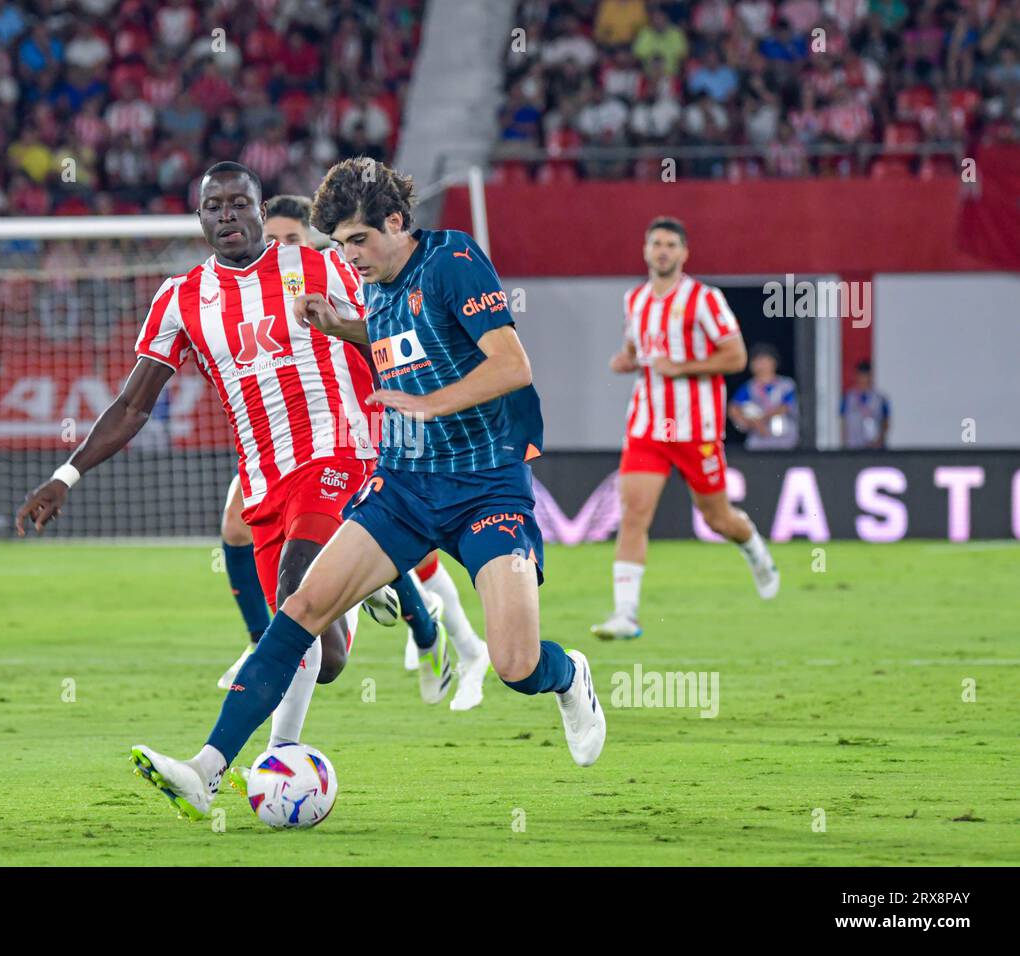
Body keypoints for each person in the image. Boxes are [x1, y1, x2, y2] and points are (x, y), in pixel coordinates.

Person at [123, 158, 606, 821]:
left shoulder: (454, 261)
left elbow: (511, 365)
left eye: (357, 241)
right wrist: (336, 324)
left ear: (397, 223)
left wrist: (431, 402)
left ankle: (569, 674)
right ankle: (206, 770)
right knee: (302, 608)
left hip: (486, 485)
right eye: (341, 244)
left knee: (515, 664)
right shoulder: (369, 285)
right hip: (406, 484)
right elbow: (391, 336)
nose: (348, 256)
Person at [215, 195, 489, 708]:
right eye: (270, 240)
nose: (279, 249)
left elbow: (391, 339)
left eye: (290, 239)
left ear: (313, 240)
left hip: (360, 420)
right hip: (288, 436)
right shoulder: (252, 290)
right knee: (238, 523)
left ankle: (435, 633)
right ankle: (267, 639)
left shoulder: (340, 274)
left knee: (400, 538)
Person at [592, 217, 778, 642]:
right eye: (656, 243)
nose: (662, 250)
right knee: (634, 515)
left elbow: (736, 357)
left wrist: (683, 368)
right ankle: (626, 614)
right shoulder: (635, 300)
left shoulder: (704, 299)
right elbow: (635, 351)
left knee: (717, 518)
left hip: (698, 429)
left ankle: (754, 549)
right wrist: (624, 361)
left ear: (683, 253)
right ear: (645, 250)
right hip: (647, 426)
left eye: (671, 244)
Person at [729, 343, 800, 450]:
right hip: (758, 440)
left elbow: (786, 406)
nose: (760, 365)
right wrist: (748, 423)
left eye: (764, 360)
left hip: (785, 440)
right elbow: (733, 408)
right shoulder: (749, 387)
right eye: (756, 361)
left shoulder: (786, 384)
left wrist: (762, 419)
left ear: (774, 362)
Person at [840, 359, 891, 449]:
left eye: (866, 376)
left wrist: (881, 439)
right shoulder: (848, 398)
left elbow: (886, 422)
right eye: (861, 376)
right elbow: (843, 423)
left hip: (874, 448)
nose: (863, 380)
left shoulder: (880, 399)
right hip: (853, 447)